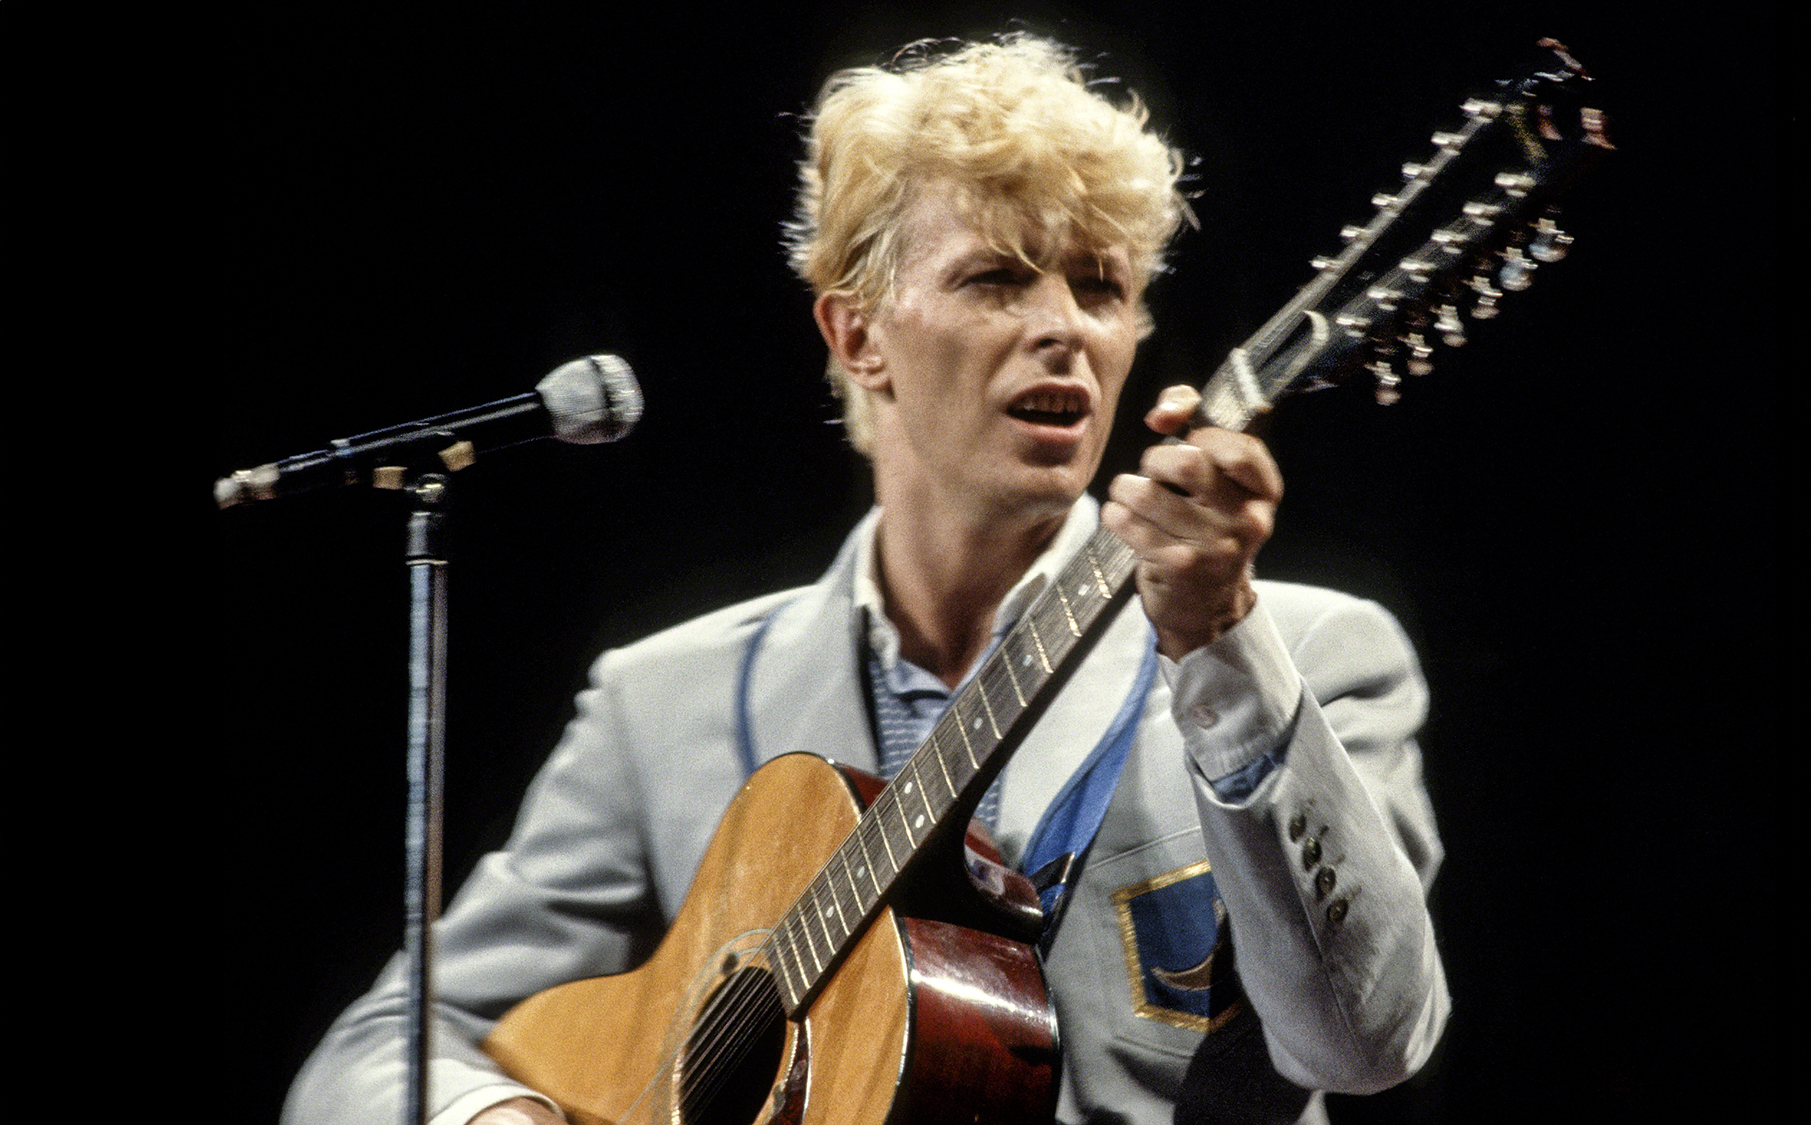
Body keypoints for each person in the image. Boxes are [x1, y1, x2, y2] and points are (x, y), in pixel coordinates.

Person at [286, 35, 1448, 1125]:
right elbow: (385, 1042)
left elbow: (1365, 1045)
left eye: (1098, 286)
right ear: (855, 336)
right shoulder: (665, 701)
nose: (1062, 331)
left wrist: (1221, 645)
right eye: (997, 277)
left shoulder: (1307, 655)